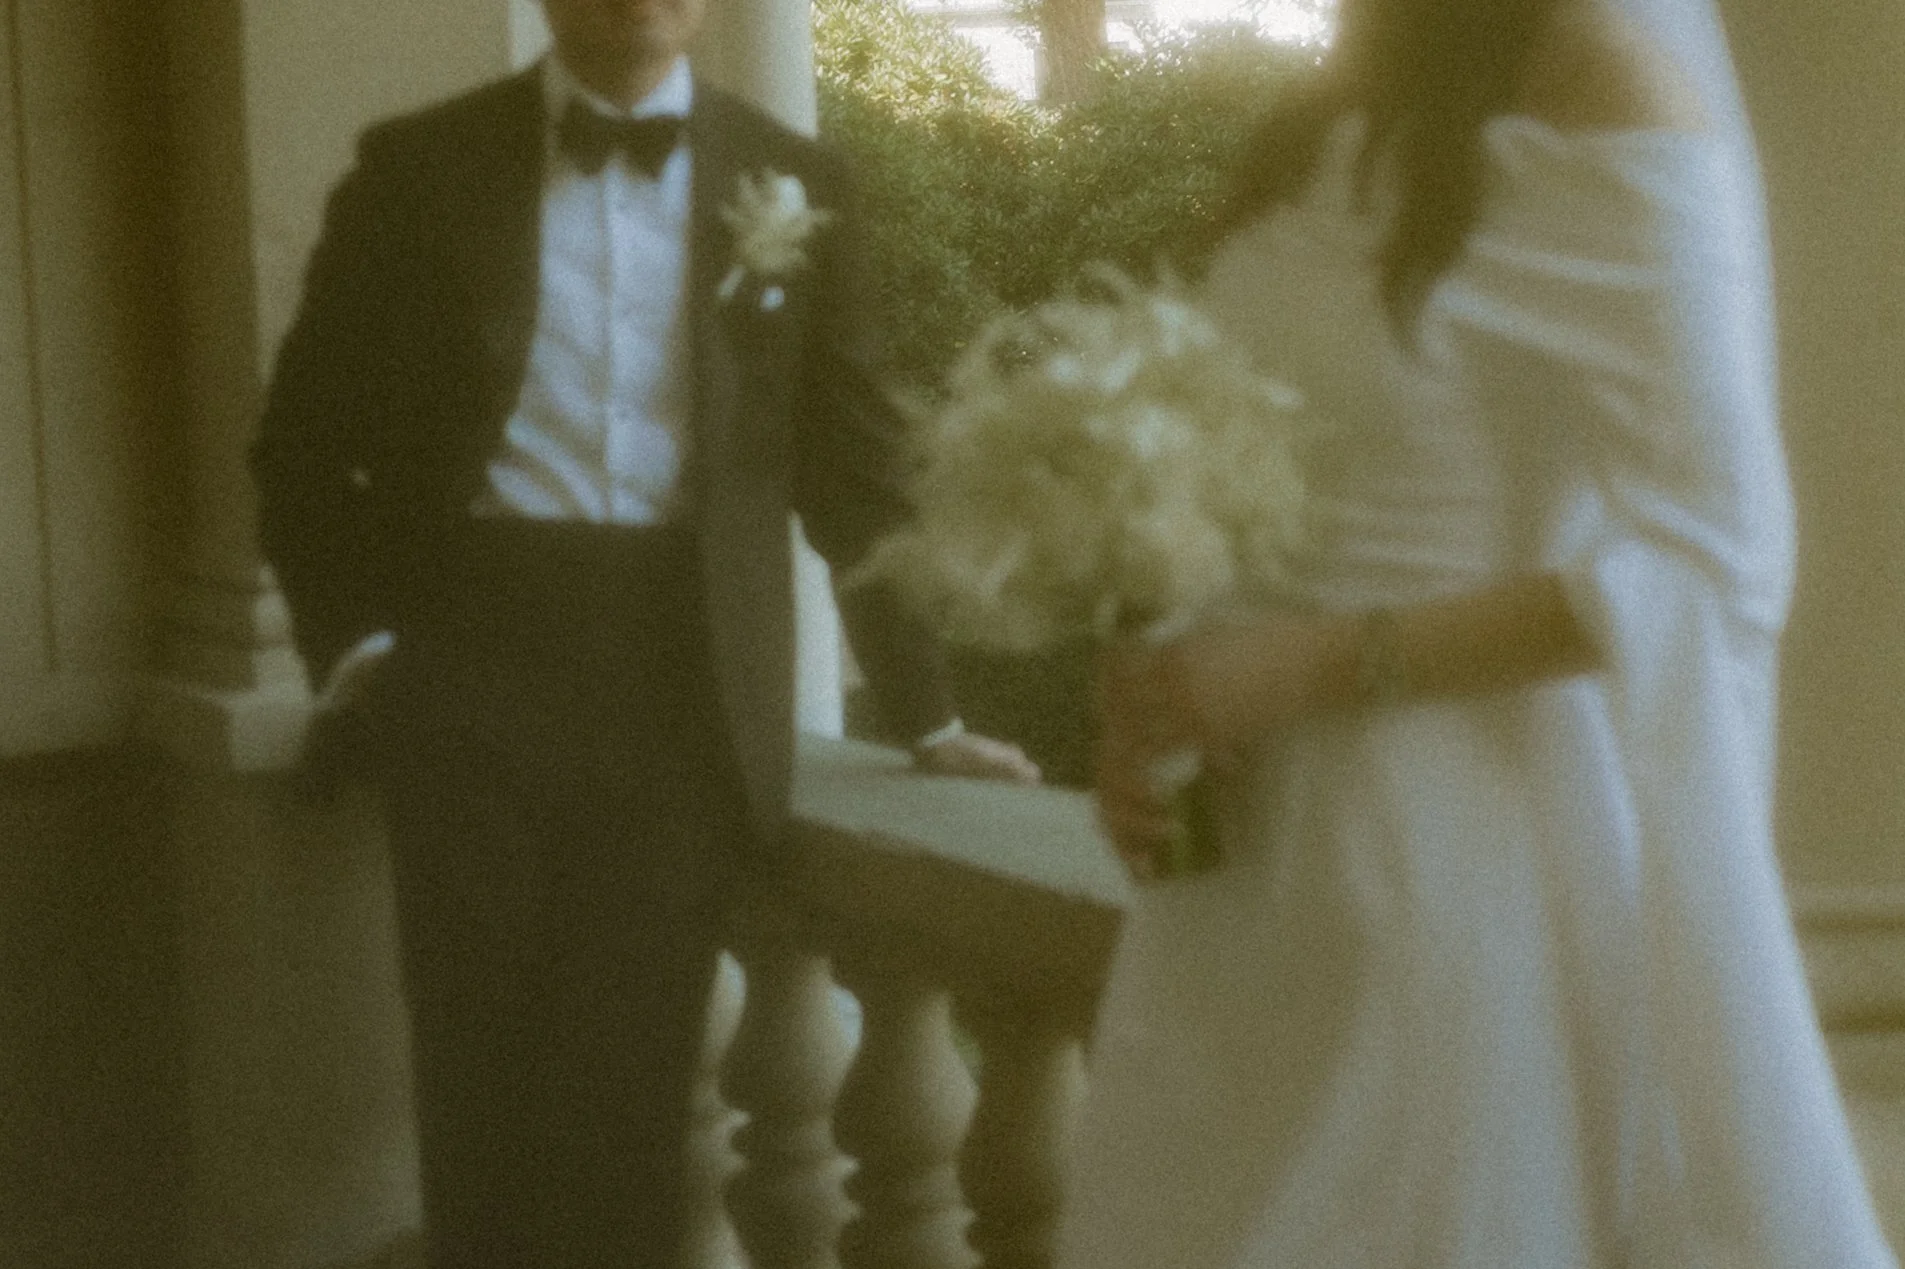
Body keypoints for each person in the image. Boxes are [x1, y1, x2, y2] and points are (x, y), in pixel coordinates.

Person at [1070, 0, 1897, 1264]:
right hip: (1235, 884)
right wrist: (1151, 700)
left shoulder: (1606, 87)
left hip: (1440, 864)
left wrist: (1311, 664)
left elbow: (1717, 552)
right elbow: (1241, 460)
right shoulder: (1338, 101)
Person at [250, 0, 1038, 1263]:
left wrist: (928, 711)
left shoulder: (799, 182)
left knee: (631, 1095)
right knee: (477, 1083)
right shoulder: (419, 168)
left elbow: (855, 472)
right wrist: (360, 651)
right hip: (469, 665)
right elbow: (300, 443)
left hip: (681, 691)